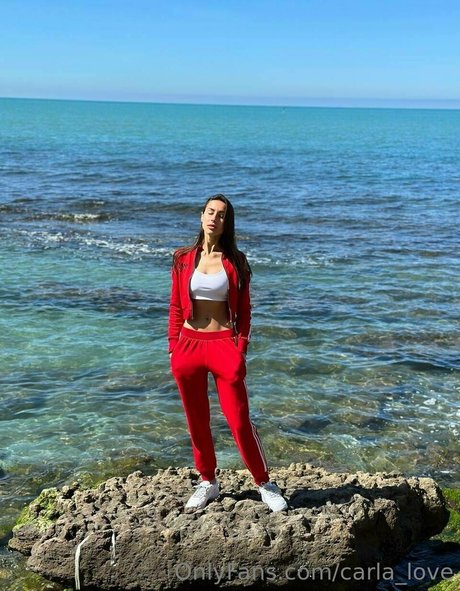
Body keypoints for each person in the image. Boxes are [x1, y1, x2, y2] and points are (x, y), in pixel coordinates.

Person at [168, 193, 288, 512]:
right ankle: (208, 481)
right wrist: (173, 348)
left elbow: (245, 311)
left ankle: (264, 483)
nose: (214, 218)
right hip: (188, 346)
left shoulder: (236, 262)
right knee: (197, 421)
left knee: (239, 421)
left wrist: (240, 349)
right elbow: (176, 306)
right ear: (201, 216)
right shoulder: (182, 258)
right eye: (210, 212)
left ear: (226, 223)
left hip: (224, 345)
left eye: (221, 214)